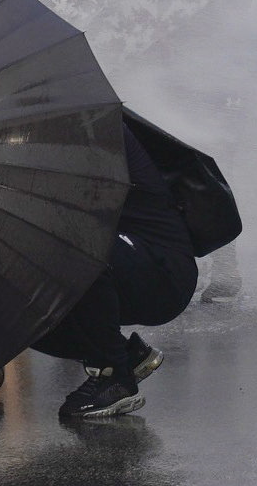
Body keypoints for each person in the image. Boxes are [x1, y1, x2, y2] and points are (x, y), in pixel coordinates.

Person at [35, 122, 199, 420]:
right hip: (123, 261)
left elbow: (68, 214)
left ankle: (114, 377)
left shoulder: (89, 127)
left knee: (67, 247)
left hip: (162, 269)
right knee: (18, 297)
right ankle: (127, 355)